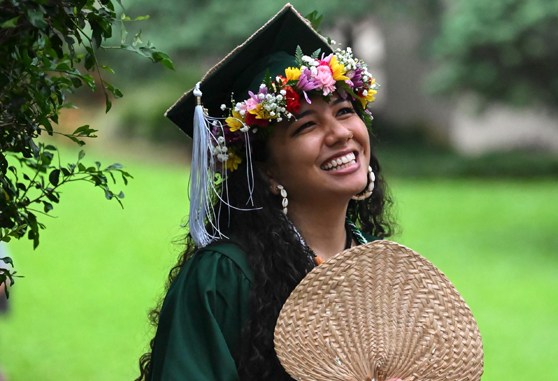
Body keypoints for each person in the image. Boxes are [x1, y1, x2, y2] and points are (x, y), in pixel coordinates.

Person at [135, 5, 397, 380]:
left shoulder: (385, 267)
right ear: (266, 169)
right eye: (306, 126)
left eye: (343, 111)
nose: (340, 134)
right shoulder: (223, 279)